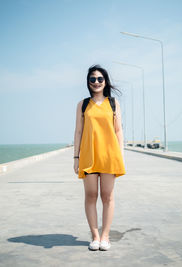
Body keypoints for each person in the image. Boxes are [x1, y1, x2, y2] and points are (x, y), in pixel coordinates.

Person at [73, 64, 126, 251]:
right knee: (91, 195)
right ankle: (95, 236)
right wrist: (76, 157)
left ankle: (105, 236)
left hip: (109, 156)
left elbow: (118, 131)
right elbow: (78, 132)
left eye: (100, 79)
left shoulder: (113, 103)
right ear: (88, 82)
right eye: (93, 79)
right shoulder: (83, 104)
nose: (96, 82)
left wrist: (120, 155)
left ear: (105, 82)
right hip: (88, 156)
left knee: (107, 196)